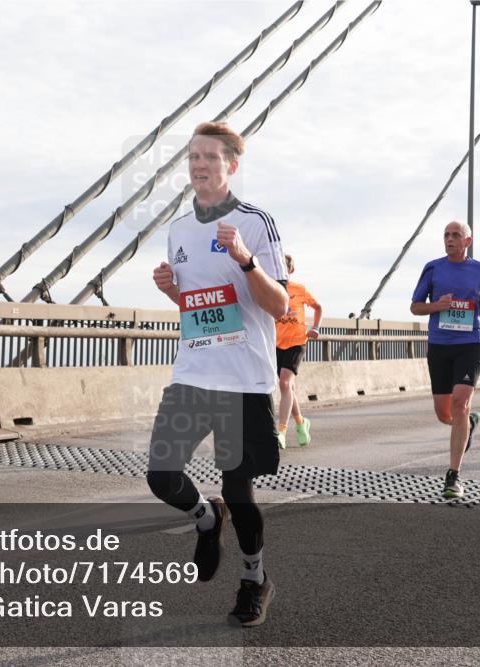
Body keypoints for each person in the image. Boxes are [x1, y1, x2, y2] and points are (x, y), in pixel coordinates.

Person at [149, 121, 289, 627]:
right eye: (193, 157)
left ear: (231, 165)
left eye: (210, 157)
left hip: (242, 380)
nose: (200, 165)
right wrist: (172, 291)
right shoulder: (179, 230)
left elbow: (279, 306)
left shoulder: (255, 223)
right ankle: (207, 520)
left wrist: (246, 261)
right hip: (193, 372)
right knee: (161, 475)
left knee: (239, 490)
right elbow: (198, 308)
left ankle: (254, 579)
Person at [411, 221, 480, 499]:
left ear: (467, 241)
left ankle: (453, 476)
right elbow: (415, 307)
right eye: (446, 235)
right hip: (440, 346)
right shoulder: (433, 268)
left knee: (461, 403)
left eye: (456, 235)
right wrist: (437, 306)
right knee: (445, 414)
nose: (450, 239)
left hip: (470, 345)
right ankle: (469, 424)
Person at [274, 254, 322, 448]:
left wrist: (315, 327)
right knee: (289, 388)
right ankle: (302, 424)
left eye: (284, 266)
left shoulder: (299, 289)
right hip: (277, 343)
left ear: (291, 270)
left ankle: (281, 432)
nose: (280, 269)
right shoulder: (270, 289)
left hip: (297, 341)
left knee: (284, 383)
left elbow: (318, 307)